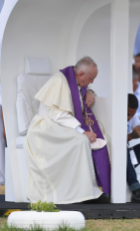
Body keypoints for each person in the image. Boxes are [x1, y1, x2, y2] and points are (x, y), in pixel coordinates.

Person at [24, 57, 110, 204]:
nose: (92, 82)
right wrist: (82, 132)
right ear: (81, 74)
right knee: (81, 141)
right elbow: (57, 114)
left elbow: (80, 95)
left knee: (103, 135)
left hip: (60, 125)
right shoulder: (60, 80)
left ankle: (87, 190)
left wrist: (90, 92)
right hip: (46, 128)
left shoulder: (75, 80)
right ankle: (85, 192)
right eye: (91, 79)